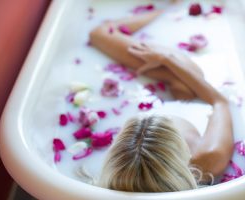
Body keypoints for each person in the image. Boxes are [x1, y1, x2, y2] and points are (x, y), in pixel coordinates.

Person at [89, 8, 233, 192]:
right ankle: (170, 8)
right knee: (185, 78)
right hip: (189, 101)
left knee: (99, 34)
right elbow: (219, 102)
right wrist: (168, 59)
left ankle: (166, 9)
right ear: (182, 154)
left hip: (173, 100)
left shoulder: (114, 179)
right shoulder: (208, 161)